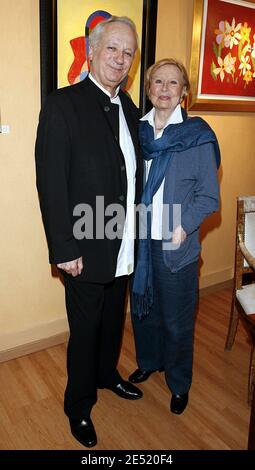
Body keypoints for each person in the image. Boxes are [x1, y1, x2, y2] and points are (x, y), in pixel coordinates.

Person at [35, 16, 144, 448]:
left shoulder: (130, 107)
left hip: (123, 240)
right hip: (84, 243)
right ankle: (78, 406)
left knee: (114, 319)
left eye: (128, 52)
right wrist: (64, 247)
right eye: (113, 48)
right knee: (85, 329)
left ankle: (106, 376)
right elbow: (51, 182)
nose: (120, 58)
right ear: (92, 50)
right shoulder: (62, 104)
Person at [129, 58, 220, 415]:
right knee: (144, 310)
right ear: (149, 89)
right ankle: (149, 361)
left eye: (173, 83)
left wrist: (181, 228)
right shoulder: (138, 133)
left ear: (184, 92)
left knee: (177, 319)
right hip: (141, 240)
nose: (164, 89)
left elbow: (209, 196)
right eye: (158, 82)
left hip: (176, 242)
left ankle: (179, 383)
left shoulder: (196, 135)